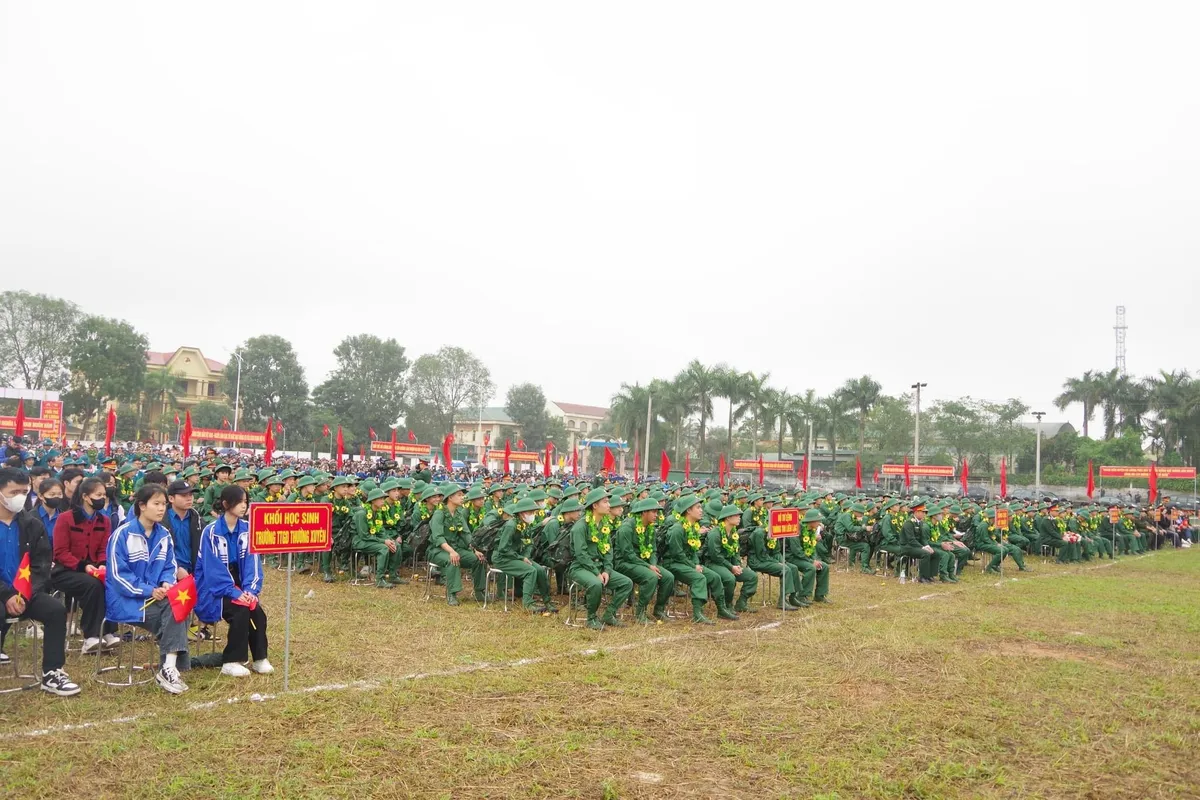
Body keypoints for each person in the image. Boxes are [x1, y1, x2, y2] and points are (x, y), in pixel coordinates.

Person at [0, 467, 81, 696]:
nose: (20, 497)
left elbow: (41, 564)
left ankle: (52, 672)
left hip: (24, 593)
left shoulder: (31, 524)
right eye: (14, 491)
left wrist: (24, 594)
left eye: (24, 491)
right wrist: (6, 596)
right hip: (2, 594)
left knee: (56, 610)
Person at [104, 484, 190, 694]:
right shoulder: (122, 534)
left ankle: (168, 667)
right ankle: (170, 667)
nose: (161, 509)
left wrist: (165, 583)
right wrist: (148, 590)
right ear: (142, 506)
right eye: (156, 504)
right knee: (174, 613)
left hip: (156, 597)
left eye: (163, 504)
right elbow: (117, 576)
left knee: (180, 605)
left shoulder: (164, 535)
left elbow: (169, 566)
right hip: (125, 601)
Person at [195, 485, 271, 677]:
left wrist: (250, 591)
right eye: (240, 502)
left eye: (246, 501)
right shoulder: (210, 532)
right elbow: (212, 571)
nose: (244, 506)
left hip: (240, 583)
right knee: (240, 610)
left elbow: (253, 563)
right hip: (214, 588)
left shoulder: (247, 529)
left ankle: (260, 657)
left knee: (257, 612)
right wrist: (235, 593)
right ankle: (231, 660)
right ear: (226, 504)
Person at [52, 477, 120, 654]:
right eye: (98, 495)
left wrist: (103, 564)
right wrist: (83, 566)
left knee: (109, 581)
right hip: (66, 571)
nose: (102, 498)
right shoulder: (65, 518)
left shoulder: (103, 521)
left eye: (104, 495)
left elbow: (104, 548)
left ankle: (108, 631)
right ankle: (91, 636)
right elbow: (60, 552)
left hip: (94, 569)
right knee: (93, 585)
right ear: (85, 496)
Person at [569, 488, 634, 630]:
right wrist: (596, 573)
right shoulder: (580, 526)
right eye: (605, 502)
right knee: (595, 584)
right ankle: (591, 618)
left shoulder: (604, 525)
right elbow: (581, 555)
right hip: (581, 567)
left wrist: (607, 570)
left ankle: (609, 614)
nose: (609, 505)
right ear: (595, 506)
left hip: (600, 568)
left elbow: (608, 551)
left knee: (626, 583)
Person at [613, 497, 675, 622]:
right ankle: (640, 613)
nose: (656, 515)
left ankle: (659, 610)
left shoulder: (650, 527)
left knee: (668, 577)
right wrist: (648, 567)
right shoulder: (627, 527)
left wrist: (652, 564)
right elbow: (627, 555)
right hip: (624, 563)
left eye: (657, 512)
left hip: (644, 563)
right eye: (653, 512)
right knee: (650, 577)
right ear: (644, 512)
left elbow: (653, 550)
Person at [491, 497, 556, 613]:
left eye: (533, 512)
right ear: (522, 513)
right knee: (530, 571)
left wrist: (525, 556)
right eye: (530, 512)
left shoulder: (526, 524)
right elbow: (502, 548)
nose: (533, 515)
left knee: (540, 570)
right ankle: (528, 604)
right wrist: (521, 558)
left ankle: (547, 601)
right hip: (503, 558)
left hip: (517, 556)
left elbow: (529, 543)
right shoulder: (511, 525)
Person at [427, 484, 487, 605]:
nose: (463, 497)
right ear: (450, 497)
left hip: (455, 548)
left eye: (462, 494)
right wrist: (451, 551)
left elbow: (466, 535)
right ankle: (452, 594)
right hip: (437, 550)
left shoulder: (458, 514)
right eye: (459, 495)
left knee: (479, 559)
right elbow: (438, 537)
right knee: (452, 560)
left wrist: (474, 550)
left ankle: (479, 591)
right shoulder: (439, 513)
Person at [704, 503, 757, 616]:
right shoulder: (715, 533)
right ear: (728, 517)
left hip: (729, 564)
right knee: (729, 578)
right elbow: (715, 556)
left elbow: (736, 552)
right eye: (737, 515)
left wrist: (737, 565)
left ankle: (741, 603)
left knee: (751, 576)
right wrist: (731, 567)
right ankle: (726, 605)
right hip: (713, 563)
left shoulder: (733, 533)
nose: (739, 518)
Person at [353, 488, 404, 589]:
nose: (382, 501)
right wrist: (384, 541)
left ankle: (393, 575)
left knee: (396, 545)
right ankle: (379, 579)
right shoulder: (362, 514)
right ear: (372, 500)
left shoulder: (378, 512)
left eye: (383, 499)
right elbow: (364, 536)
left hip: (372, 540)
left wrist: (389, 540)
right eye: (380, 499)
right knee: (383, 548)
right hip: (360, 541)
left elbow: (381, 531)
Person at [35, 477, 67, 545]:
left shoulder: (64, 517)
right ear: (41, 496)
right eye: (52, 494)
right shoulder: (31, 517)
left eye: (59, 494)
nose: (56, 497)